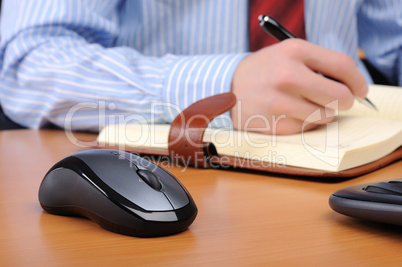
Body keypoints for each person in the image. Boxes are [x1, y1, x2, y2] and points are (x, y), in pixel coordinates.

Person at [0, 0, 400, 134]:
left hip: (355, 151)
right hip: (179, 173)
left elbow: (393, 38)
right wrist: (218, 89)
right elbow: (30, 62)